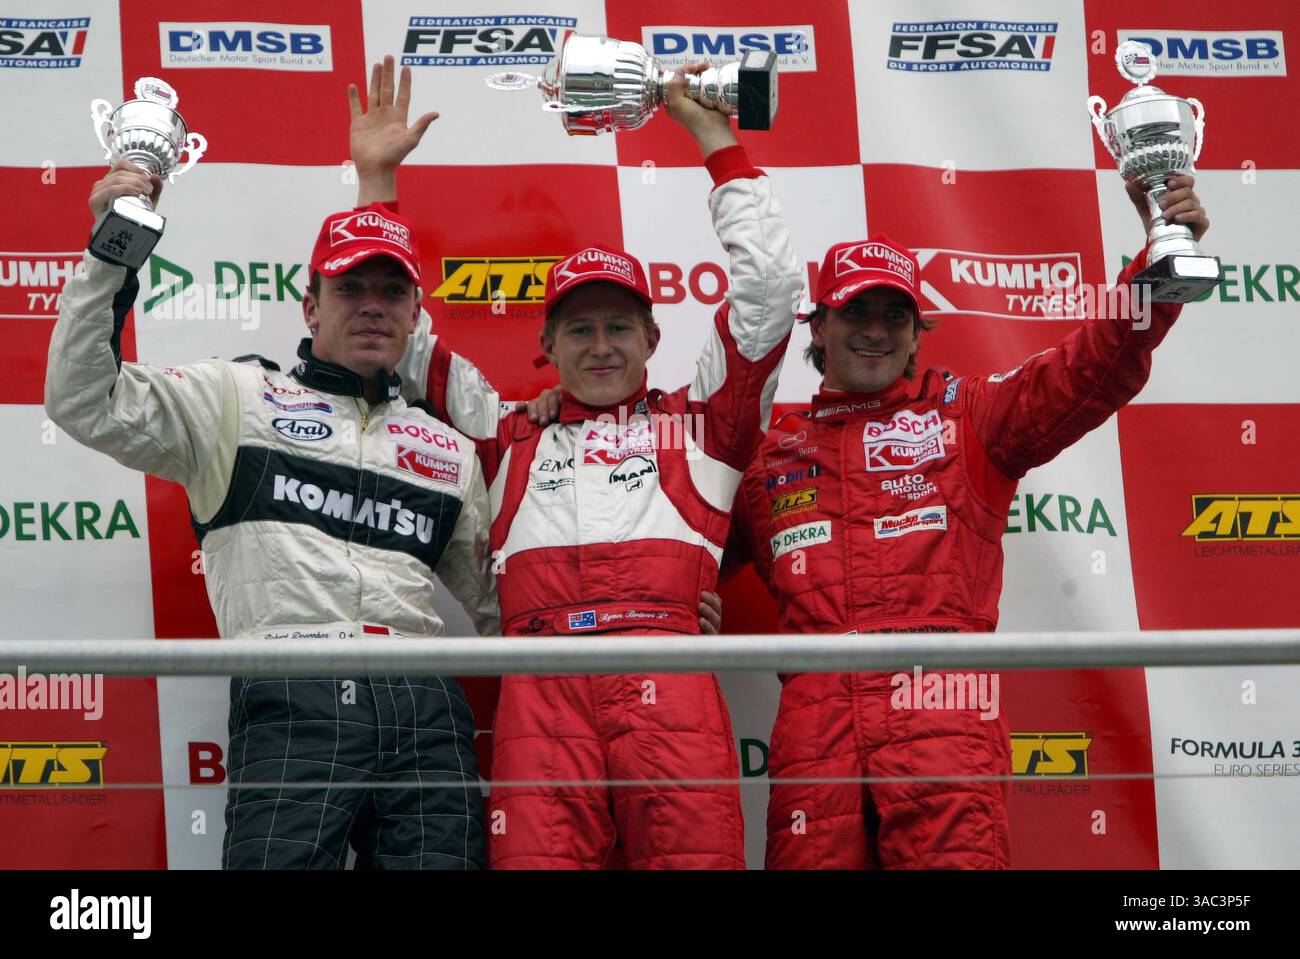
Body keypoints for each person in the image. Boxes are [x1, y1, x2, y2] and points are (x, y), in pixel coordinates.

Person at [348, 57, 803, 868]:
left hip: (671, 689)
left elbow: (768, 292)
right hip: (541, 693)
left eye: (619, 327)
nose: (600, 346)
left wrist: (715, 140)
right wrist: (376, 183)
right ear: (546, 345)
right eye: (580, 329)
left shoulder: (703, 428)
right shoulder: (507, 430)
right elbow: (401, 339)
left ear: (653, 341)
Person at [721, 179, 1210, 869]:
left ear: (919, 332)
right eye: (856, 309)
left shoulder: (967, 418)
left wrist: (1154, 274)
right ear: (817, 326)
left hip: (943, 725)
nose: (875, 329)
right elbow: (676, 558)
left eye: (896, 314)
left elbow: (1087, 369)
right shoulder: (770, 459)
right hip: (813, 740)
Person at [45, 160, 500, 869]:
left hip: (427, 700)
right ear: (311, 304)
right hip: (296, 679)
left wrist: (652, 613)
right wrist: (113, 249)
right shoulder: (235, 399)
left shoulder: (447, 448)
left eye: (391, 291)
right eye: (349, 287)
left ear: (417, 314)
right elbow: (82, 398)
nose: (372, 305)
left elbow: (507, 602)